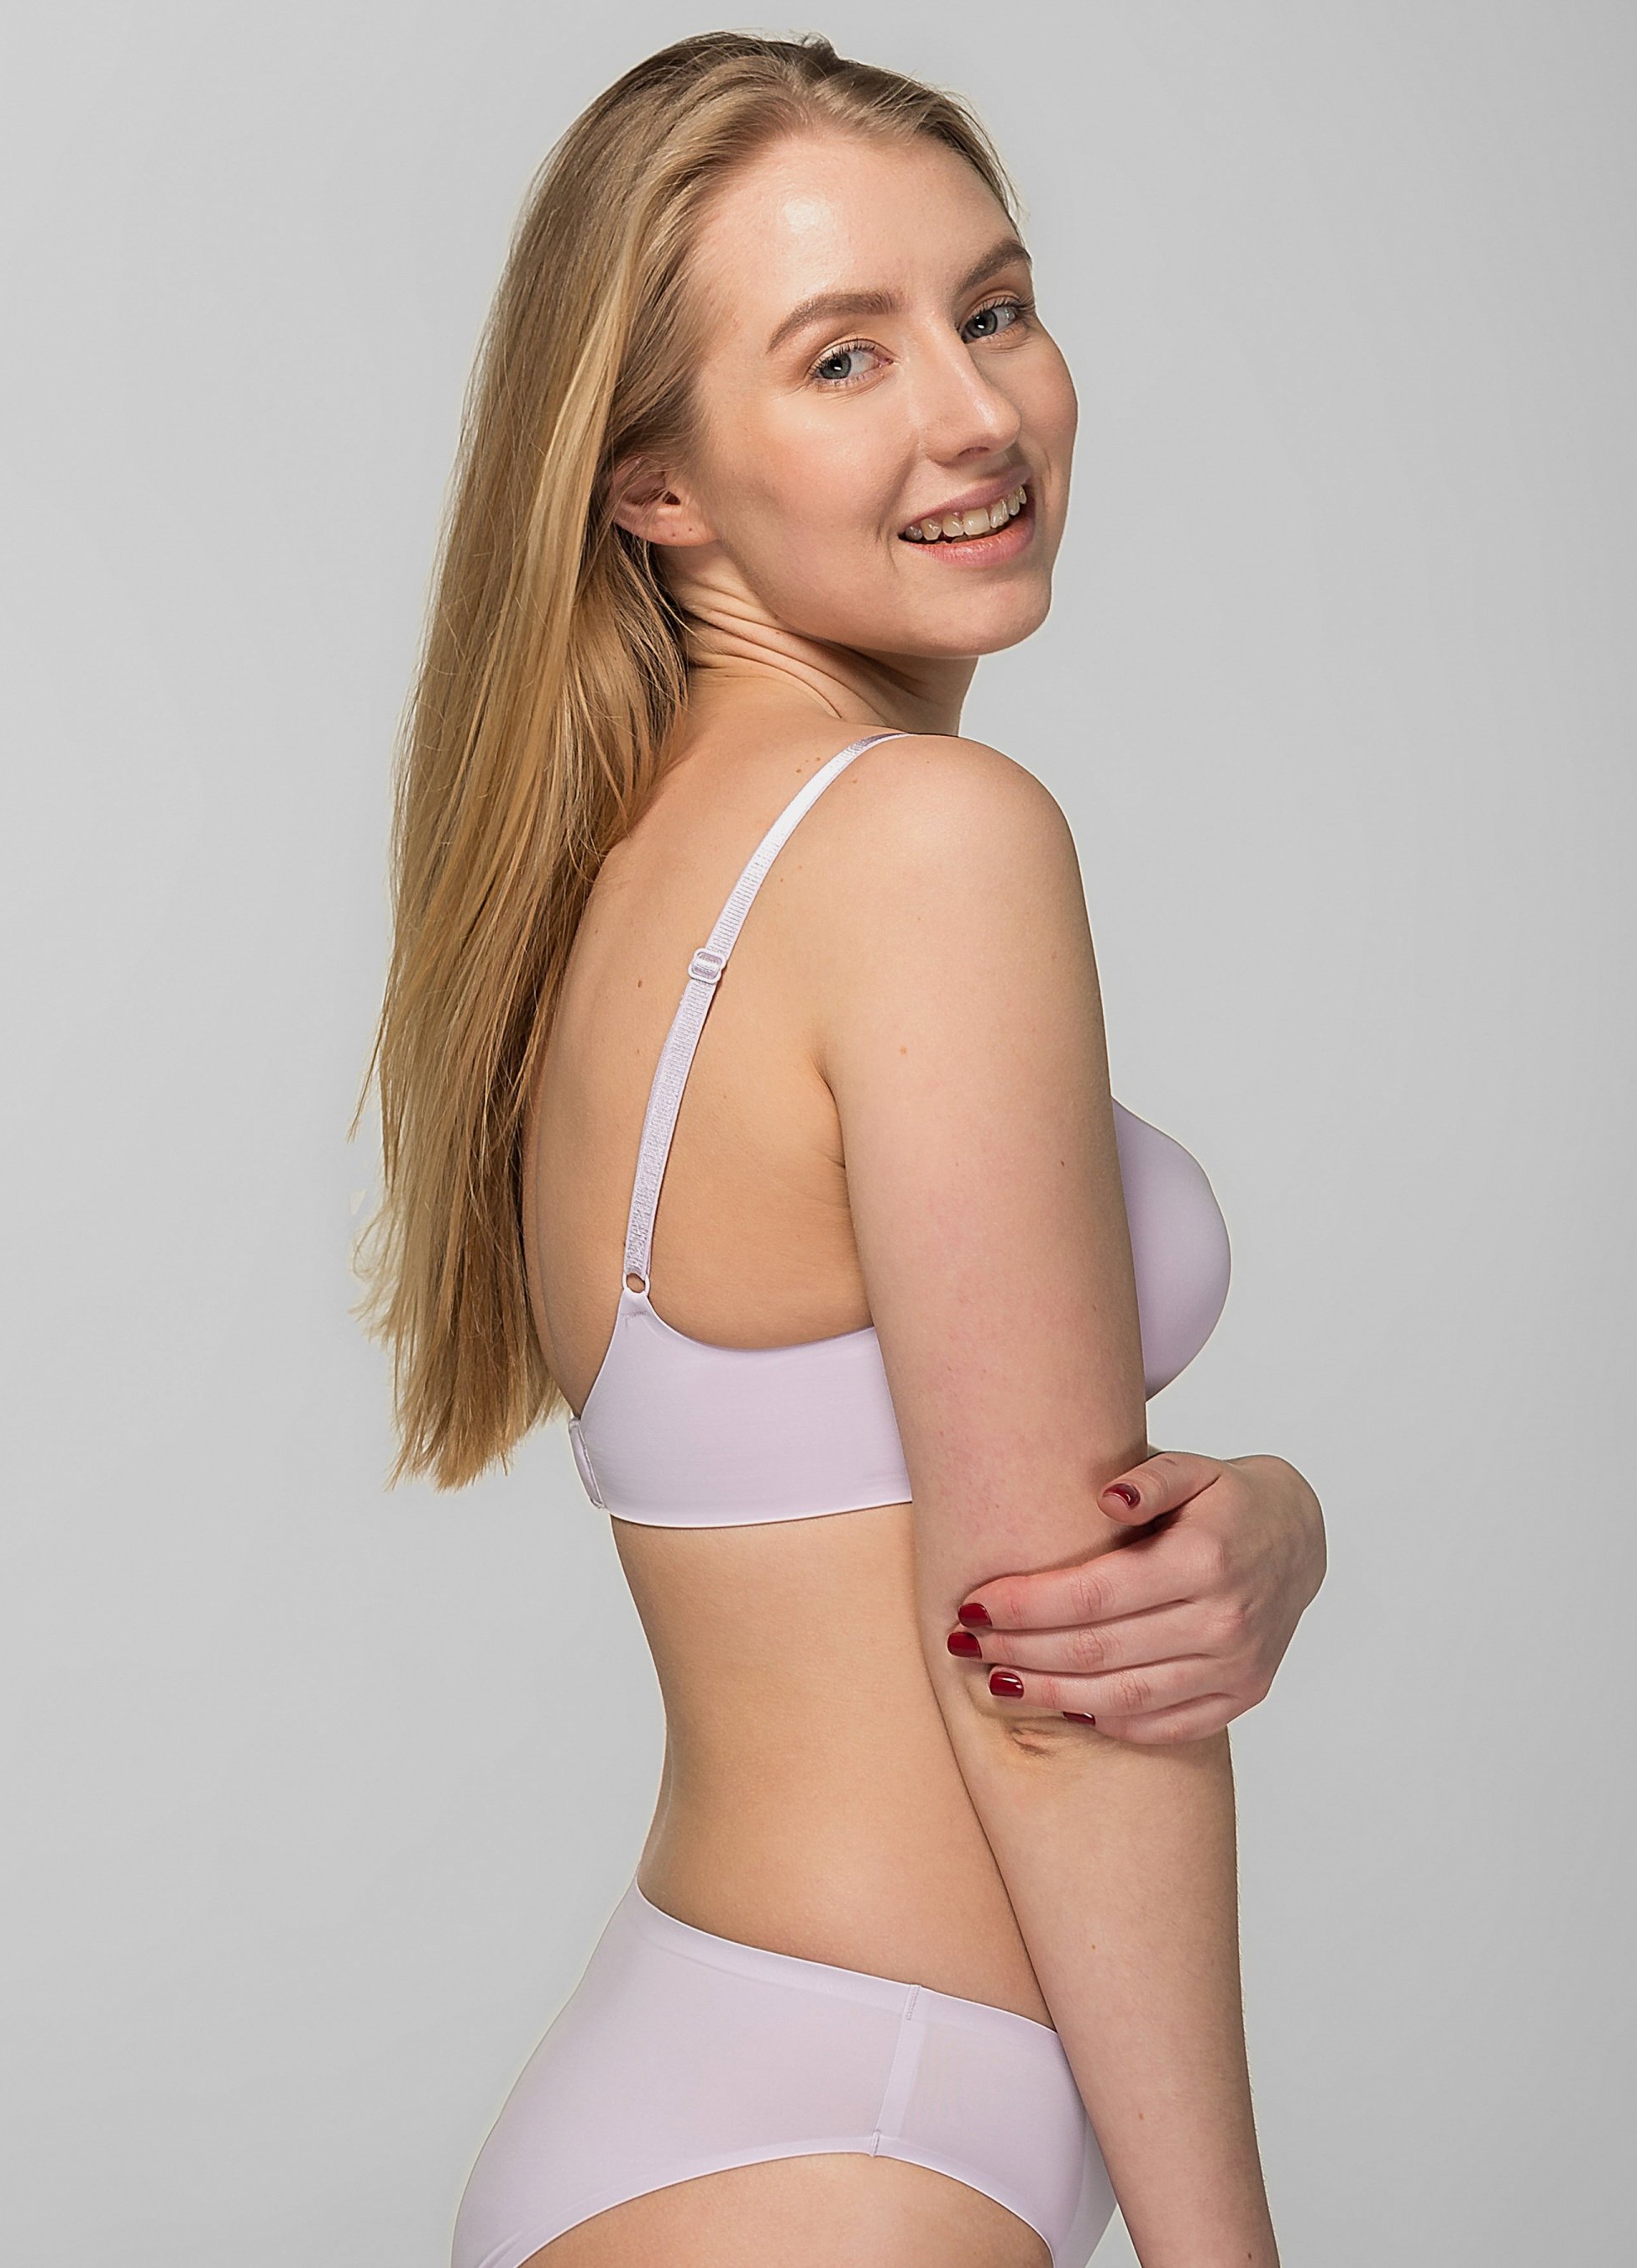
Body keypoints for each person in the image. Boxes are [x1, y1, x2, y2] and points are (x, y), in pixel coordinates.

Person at [358, 31, 1325, 2268]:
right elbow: (1050, 1690)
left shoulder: (638, 862)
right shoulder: (921, 843)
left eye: (992, 309)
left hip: (715, 2084)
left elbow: (972, 1522)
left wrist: (1269, 1520)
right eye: (840, 356)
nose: (975, 415)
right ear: (654, 483)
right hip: (863, 2150)